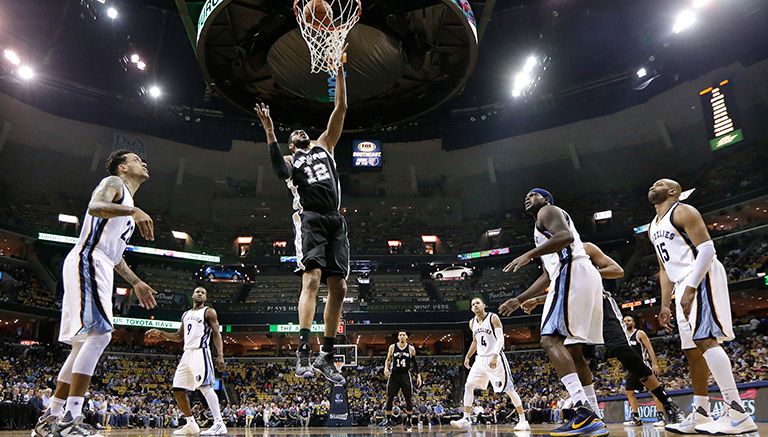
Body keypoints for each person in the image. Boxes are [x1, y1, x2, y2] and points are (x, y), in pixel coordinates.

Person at [35, 150, 158, 437]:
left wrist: (136, 281)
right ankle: (71, 417)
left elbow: (115, 257)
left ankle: (52, 417)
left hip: (100, 262)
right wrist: (133, 211)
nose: (145, 162)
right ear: (123, 167)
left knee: (82, 345)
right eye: (138, 159)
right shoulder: (113, 182)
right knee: (100, 335)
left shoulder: (127, 201)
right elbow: (94, 206)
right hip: (88, 258)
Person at [253, 44, 350, 385]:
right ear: (291, 144)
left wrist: (338, 68)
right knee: (312, 280)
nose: (298, 132)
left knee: (339, 287)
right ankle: (303, 350)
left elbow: (341, 107)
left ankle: (326, 353)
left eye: (299, 132)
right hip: (309, 218)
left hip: (335, 220)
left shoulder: (325, 145)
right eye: (291, 135)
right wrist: (269, 130)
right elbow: (279, 170)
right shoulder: (293, 161)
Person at [519, 241, 683, 426]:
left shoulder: (585, 248)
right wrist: (536, 300)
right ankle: (594, 412)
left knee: (623, 351)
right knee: (573, 354)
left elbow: (617, 270)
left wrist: (588, 273)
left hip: (599, 303)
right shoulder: (549, 259)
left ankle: (667, 403)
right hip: (573, 307)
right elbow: (562, 288)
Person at [648, 178, 757, 434]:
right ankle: (701, 412)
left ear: (673, 191)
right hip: (681, 282)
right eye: (652, 184)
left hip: (701, 275)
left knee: (706, 340)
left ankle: (738, 412)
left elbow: (707, 250)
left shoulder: (683, 210)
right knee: (692, 350)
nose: (653, 186)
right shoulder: (653, 226)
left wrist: (691, 287)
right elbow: (664, 268)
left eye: (659, 183)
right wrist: (666, 303)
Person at [499, 188, 606, 437]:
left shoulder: (547, 211)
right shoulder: (541, 228)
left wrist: (528, 254)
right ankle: (593, 415)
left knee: (549, 340)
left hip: (573, 272)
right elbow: (548, 274)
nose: (528, 197)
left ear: (546, 200)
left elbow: (566, 236)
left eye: (534, 194)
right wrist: (519, 299)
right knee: (573, 351)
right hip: (571, 274)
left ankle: (582, 410)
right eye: (525, 195)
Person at [146, 287, 227, 435]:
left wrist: (220, 355)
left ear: (206, 297)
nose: (200, 294)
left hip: (200, 352)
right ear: (193, 295)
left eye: (203, 292)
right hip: (186, 354)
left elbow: (216, 333)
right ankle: (191, 423)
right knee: (177, 388)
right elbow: (178, 336)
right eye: (198, 292)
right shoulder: (186, 314)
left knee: (206, 387)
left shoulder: (209, 312)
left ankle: (219, 423)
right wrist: (160, 333)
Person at [450, 297, 529, 431]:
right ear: (471, 308)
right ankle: (466, 418)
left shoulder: (493, 318)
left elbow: (500, 339)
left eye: (477, 303)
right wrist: (468, 356)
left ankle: (523, 420)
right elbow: (475, 342)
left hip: (495, 358)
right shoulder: (472, 322)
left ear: (484, 305)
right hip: (480, 359)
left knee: (509, 389)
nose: (475, 305)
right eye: (473, 304)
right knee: (469, 385)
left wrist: (495, 355)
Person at [622, 315, 668, 427]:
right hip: (632, 367)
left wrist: (654, 363)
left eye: (629, 320)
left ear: (633, 322)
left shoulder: (639, 333)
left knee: (654, 391)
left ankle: (661, 417)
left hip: (643, 364)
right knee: (629, 392)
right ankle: (636, 418)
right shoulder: (623, 337)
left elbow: (650, 348)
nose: (627, 322)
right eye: (624, 321)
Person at [383, 331, 422, 432]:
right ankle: (388, 422)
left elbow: (415, 363)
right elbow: (388, 359)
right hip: (394, 375)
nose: (402, 336)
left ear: (407, 337)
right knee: (390, 398)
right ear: (398, 337)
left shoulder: (411, 348)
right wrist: (386, 368)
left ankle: (409, 421)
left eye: (404, 335)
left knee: (408, 399)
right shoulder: (392, 347)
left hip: (405, 375)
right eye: (400, 335)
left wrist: (418, 376)